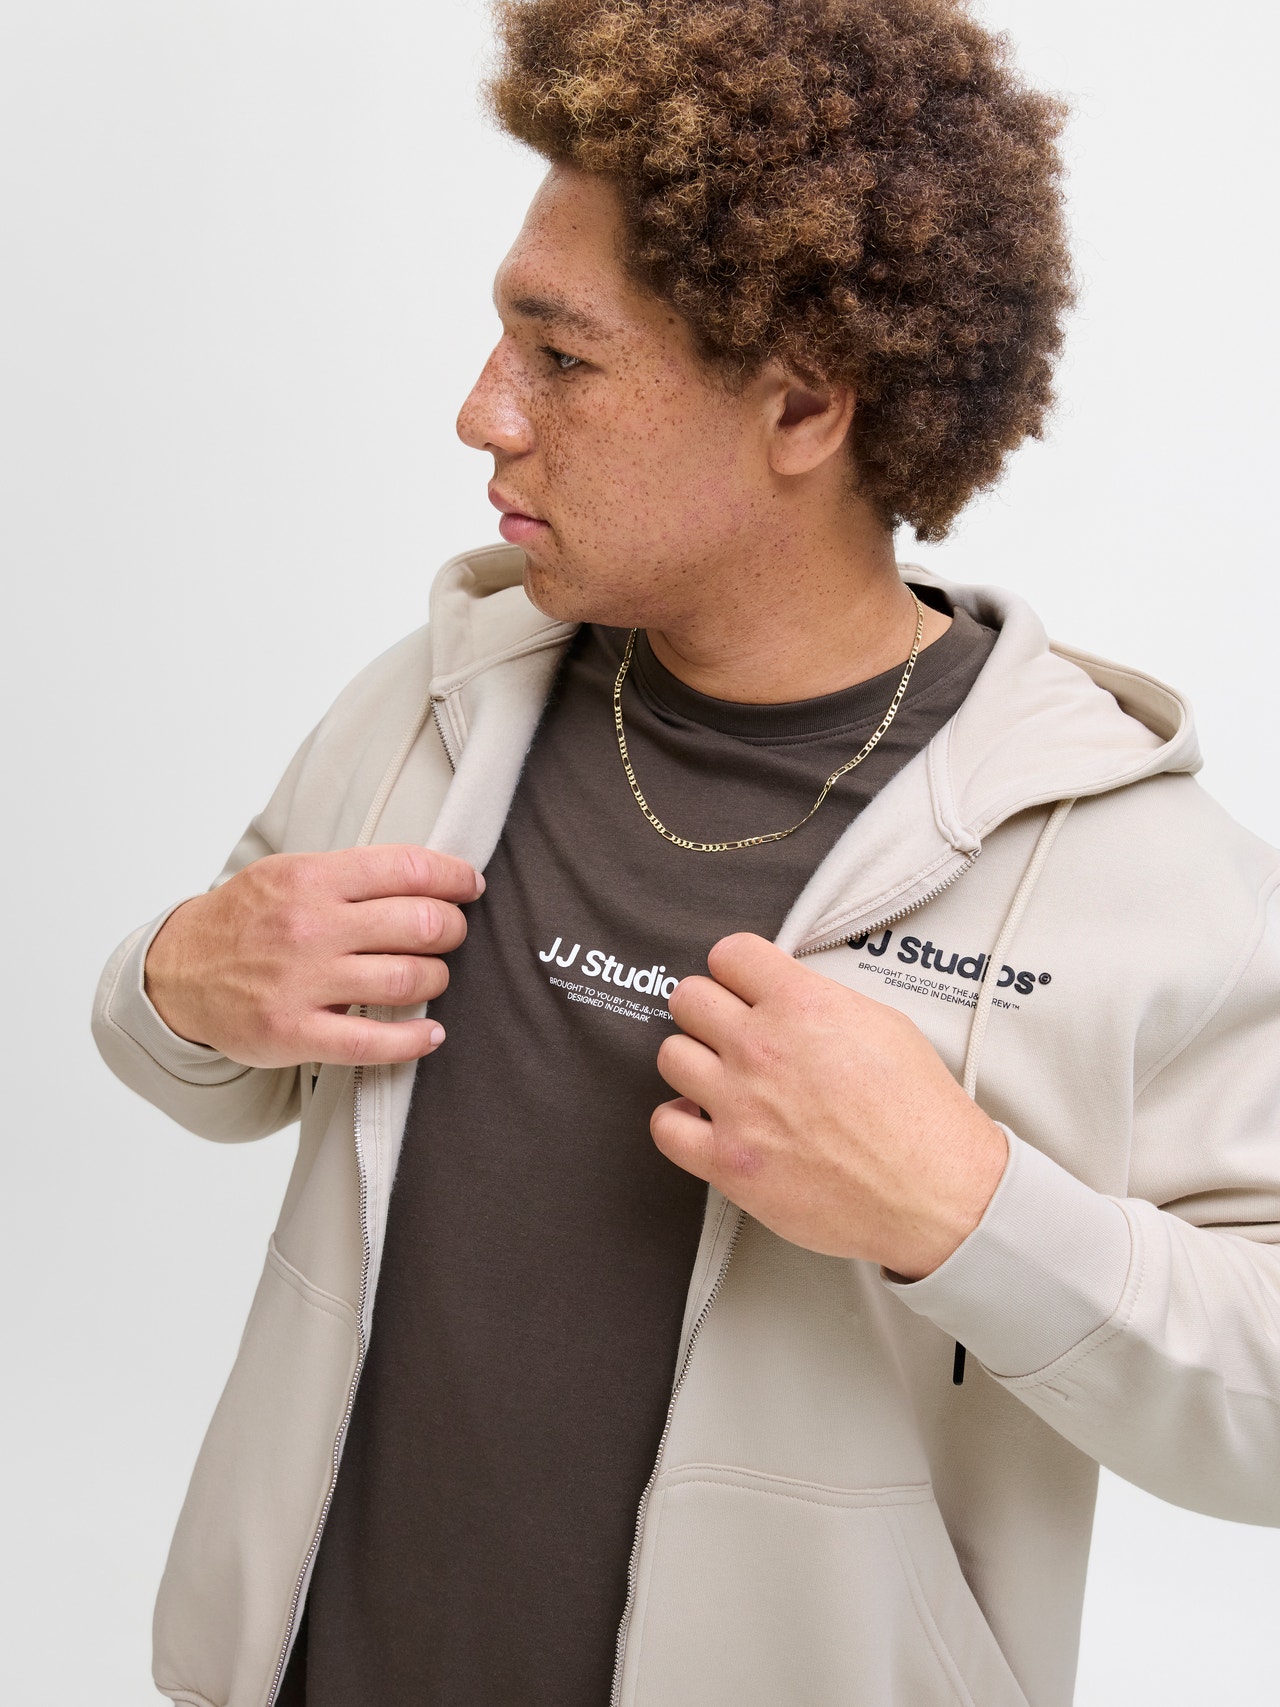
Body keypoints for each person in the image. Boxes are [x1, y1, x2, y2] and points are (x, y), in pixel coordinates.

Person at [92, 1, 1280, 1704]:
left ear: (802, 409)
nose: (482, 413)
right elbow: (211, 1069)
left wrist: (967, 1211)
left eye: (561, 359)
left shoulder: (1141, 876)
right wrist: (171, 983)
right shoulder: (436, 700)